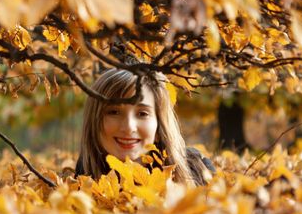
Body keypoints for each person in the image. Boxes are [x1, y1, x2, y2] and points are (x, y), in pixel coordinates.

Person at [75, 68, 215, 186]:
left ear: (159, 126)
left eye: (142, 114)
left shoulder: (198, 169)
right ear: (94, 122)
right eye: (114, 112)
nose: (129, 127)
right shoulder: (84, 176)